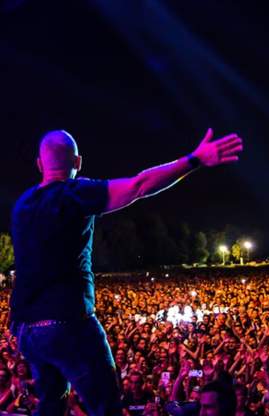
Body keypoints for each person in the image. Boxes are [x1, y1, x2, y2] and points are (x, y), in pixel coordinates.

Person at [9, 128, 243, 415]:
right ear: (78, 162)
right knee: (106, 406)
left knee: (50, 403)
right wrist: (193, 160)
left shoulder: (22, 204)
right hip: (67, 322)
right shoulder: (75, 193)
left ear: (39, 164)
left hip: (25, 328)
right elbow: (139, 186)